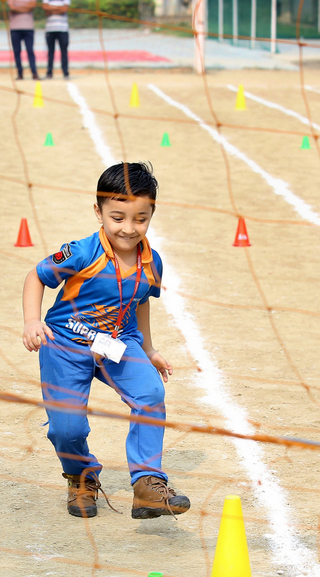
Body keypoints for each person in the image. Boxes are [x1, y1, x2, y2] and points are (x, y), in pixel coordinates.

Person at [22, 162, 190, 520]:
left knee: (151, 394)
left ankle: (147, 484)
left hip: (118, 342)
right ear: (98, 212)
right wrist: (32, 321)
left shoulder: (152, 262)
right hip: (66, 342)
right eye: (118, 218)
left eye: (140, 219)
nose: (129, 229)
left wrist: (148, 348)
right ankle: (80, 478)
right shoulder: (82, 253)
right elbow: (36, 276)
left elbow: (141, 299)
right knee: (68, 428)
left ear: (151, 215)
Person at [7, 0, 38, 80]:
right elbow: (12, 8)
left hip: (28, 28)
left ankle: (34, 73)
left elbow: (32, 6)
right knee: (16, 52)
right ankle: (20, 73)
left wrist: (18, 7)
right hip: (14, 28)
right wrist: (26, 7)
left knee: (30, 51)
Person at [43, 0, 70, 79]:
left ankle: (65, 73)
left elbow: (64, 9)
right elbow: (45, 9)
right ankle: (49, 72)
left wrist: (51, 9)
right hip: (50, 29)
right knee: (50, 52)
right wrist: (59, 8)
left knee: (64, 52)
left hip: (63, 29)